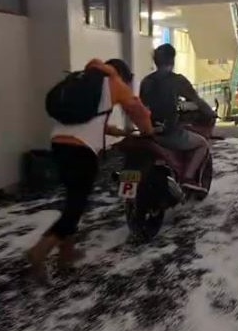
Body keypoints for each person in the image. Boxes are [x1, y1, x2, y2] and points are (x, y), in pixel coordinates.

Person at [27, 58, 153, 282]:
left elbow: (93, 121)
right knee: (76, 206)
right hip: (81, 151)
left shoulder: (83, 81)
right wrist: (148, 133)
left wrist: (120, 133)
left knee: (73, 201)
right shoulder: (114, 82)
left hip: (58, 144)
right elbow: (139, 112)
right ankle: (40, 251)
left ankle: (67, 254)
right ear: (122, 75)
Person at [140, 44, 215, 192]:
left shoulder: (146, 81)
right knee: (202, 144)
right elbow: (196, 100)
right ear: (172, 60)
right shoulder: (177, 80)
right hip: (168, 133)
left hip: (147, 132)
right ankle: (187, 178)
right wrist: (210, 112)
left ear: (156, 61)